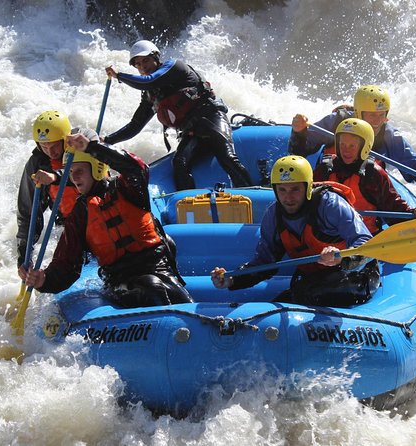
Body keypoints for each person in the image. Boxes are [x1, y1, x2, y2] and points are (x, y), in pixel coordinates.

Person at [22, 130, 194, 308]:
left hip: (158, 266)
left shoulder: (128, 190)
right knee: (152, 286)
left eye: (79, 171)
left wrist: (92, 147)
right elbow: (66, 265)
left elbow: (136, 167)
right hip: (120, 279)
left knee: (176, 294)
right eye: (71, 171)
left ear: (97, 168)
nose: (74, 177)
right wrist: (44, 280)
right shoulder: (79, 215)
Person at [210, 155, 380, 307]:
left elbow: (366, 243)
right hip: (315, 281)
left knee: (310, 293)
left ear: (307, 188)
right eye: (282, 190)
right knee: (286, 300)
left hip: (357, 275)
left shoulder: (330, 205)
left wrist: (341, 257)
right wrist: (233, 279)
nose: (288, 197)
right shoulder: (273, 216)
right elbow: (265, 263)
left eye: (295, 189)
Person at [103, 40, 252, 190]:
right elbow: (135, 125)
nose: (143, 66)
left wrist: (119, 75)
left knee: (227, 157)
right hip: (192, 132)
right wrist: (107, 141)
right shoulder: (150, 95)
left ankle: (250, 193)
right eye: (138, 64)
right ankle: (188, 204)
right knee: (179, 163)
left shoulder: (174, 67)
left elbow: (149, 81)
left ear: (156, 57)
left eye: (146, 60)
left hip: (211, 118)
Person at [288, 85, 416, 187]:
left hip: (367, 190)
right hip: (330, 185)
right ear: (359, 113)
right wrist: (299, 132)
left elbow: (411, 161)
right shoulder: (336, 122)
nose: (377, 121)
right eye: (372, 115)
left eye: (381, 115)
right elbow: (300, 149)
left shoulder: (388, 134)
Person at [315, 118, 416, 234]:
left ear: (365, 147)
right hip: (330, 240)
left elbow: (393, 207)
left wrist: (414, 214)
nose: (346, 151)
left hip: (363, 238)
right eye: (342, 145)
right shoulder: (325, 169)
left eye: (352, 146)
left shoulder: (372, 174)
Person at [16, 110, 85, 270]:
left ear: (65, 139)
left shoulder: (82, 146)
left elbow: (92, 177)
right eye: (44, 146)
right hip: (70, 224)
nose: (50, 152)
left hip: (98, 213)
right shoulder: (36, 164)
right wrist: (23, 256)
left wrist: (55, 176)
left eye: (54, 146)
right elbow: (27, 213)